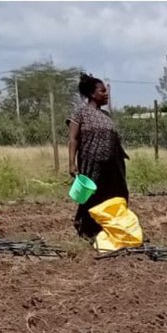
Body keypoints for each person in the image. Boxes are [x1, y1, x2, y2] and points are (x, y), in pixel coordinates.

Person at [67, 74, 130, 242]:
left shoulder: (107, 116)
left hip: (113, 165)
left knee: (114, 195)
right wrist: (71, 163)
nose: (106, 94)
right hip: (91, 163)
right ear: (92, 94)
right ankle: (83, 226)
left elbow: (114, 140)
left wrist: (121, 155)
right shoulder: (81, 113)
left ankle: (108, 228)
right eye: (103, 91)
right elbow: (73, 139)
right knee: (90, 196)